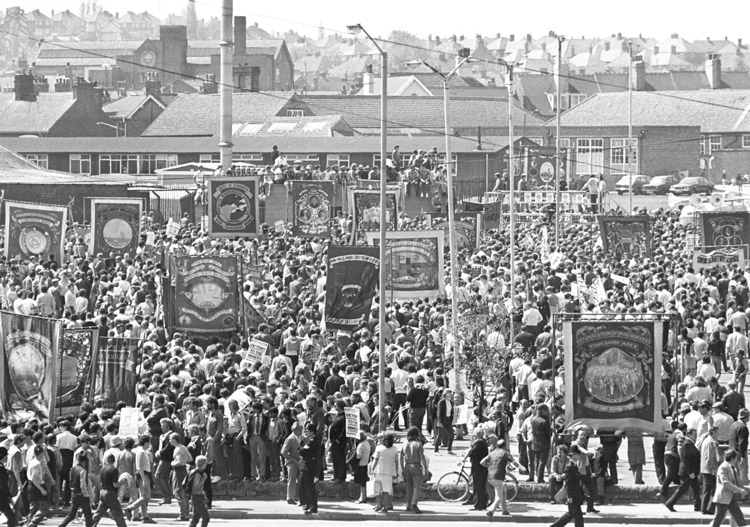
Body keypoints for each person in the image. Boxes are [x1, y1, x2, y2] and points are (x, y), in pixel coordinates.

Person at [665, 428, 701, 512]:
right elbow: (686, 459)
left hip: (691, 471)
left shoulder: (690, 443)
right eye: (694, 434)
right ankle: (670, 503)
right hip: (688, 472)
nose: (696, 436)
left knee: (696, 488)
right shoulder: (687, 444)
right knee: (683, 488)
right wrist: (690, 472)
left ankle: (698, 505)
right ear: (689, 435)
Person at [482, 438, 518, 519]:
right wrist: (522, 468)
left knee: (503, 491)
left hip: (490, 477)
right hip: (498, 477)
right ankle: (490, 511)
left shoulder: (492, 453)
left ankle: (504, 510)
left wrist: (490, 466)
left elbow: (482, 462)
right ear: (504, 446)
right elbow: (514, 462)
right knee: (498, 497)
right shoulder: (505, 453)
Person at [711, 450, 749, 527]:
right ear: (733, 458)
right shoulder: (723, 467)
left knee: (739, 517)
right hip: (723, 498)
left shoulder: (731, 467)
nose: (736, 460)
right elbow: (725, 483)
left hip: (730, 497)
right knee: (718, 519)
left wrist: (743, 488)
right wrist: (740, 490)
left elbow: (736, 481)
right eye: (736, 458)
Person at [91, 453, 127, 527]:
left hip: (103, 492)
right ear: (114, 461)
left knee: (99, 512)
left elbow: (100, 481)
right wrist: (122, 482)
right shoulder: (114, 470)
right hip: (110, 493)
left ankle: (90, 525)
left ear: (107, 460)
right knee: (118, 512)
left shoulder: (103, 469)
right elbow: (115, 484)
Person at [548, 458, 585, 527]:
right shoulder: (570, 467)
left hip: (576, 494)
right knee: (577, 515)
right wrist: (569, 496)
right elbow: (568, 484)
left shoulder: (575, 466)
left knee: (571, 514)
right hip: (572, 495)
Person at [400, 426, 427, 514]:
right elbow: (422, 458)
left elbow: (401, 457)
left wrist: (402, 468)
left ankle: (408, 505)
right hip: (416, 466)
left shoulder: (404, 444)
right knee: (417, 487)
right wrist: (425, 470)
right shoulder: (418, 444)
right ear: (416, 435)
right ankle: (414, 504)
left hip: (407, 466)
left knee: (409, 487)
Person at [370, 433, 399, 514]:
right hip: (389, 472)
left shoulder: (379, 448)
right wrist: (396, 472)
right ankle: (385, 506)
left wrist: (372, 469)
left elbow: (375, 460)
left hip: (378, 471)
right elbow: (396, 462)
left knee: (377, 490)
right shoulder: (395, 450)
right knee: (386, 491)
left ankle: (379, 505)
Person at [298, 423, 320, 515]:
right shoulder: (308, 439)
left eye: (307, 430)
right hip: (304, 465)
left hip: (309, 466)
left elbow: (303, 451)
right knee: (302, 484)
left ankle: (313, 507)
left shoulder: (313, 440)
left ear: (312, 431)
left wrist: (300, 449)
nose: (306, 432)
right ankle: (306, 503)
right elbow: (302, 446)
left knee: (309, 487)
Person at [27, 444, 49, 527]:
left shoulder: (33, 461)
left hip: (32, 486)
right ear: (41, 453)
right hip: (36, 486)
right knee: (44, 507)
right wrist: (42, 489)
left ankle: (30, 522)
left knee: (34, 507)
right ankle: (33, 522)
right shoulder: (36, 464)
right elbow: (34, 478)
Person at [186, 455, 210, 527]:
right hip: (196, 497)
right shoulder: (197, 474)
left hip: (197, 496)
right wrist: (203, 479)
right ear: (202, 464)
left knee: (195, 517)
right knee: (206, 517)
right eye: (205, 463)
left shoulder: (198, 472)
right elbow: (196, 486)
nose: (206, 465)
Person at [281, 422, 302, 504]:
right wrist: (291, 459)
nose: (301, 431)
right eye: (300, 429)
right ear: (295, 429)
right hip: (292, 463)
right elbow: (283, 452)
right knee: (291, 480)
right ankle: (290, 498)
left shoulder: (297, 437)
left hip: (297, 462)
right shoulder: (290, 439)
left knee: (298, 480)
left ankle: (294, 496)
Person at [0, 447, 17, 527]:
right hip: (1, 497)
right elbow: (3, 485)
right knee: (11, 517)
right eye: (6, 455)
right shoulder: (1, 468)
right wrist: (9, 498)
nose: (7, 457)